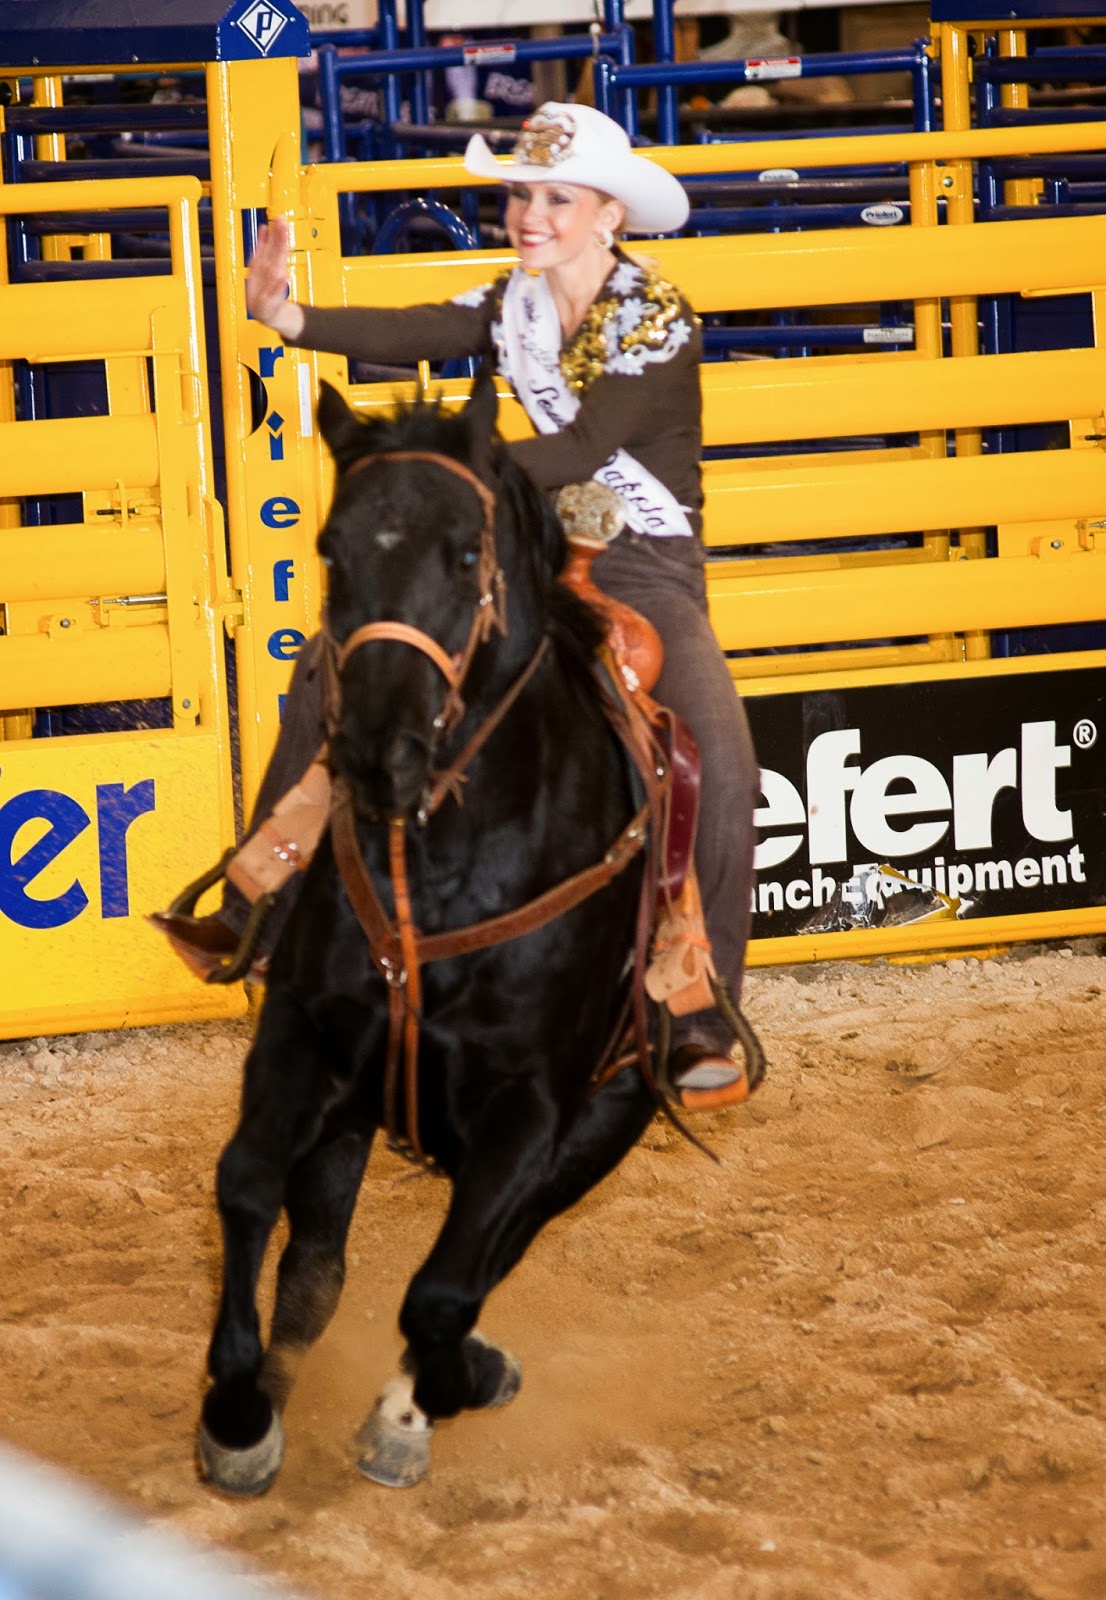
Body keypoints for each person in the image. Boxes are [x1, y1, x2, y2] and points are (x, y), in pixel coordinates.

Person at [160, 103, 760, 1107]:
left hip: (641, 563)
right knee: (341, 661)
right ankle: (258, 907)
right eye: (520, 194)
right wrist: (289, 319)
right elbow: (421, 329)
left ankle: (697, 1011)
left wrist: (434, 471)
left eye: (553, 198)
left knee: (718, 754)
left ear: (607, 213)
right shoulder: (518, 299)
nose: (528, 213)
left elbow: (576, 454)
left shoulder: (655, 321)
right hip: (525, 544)